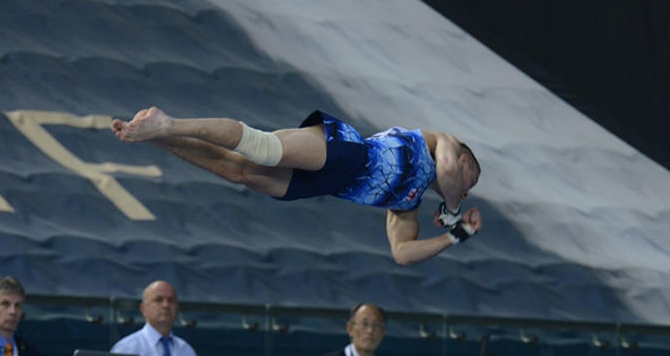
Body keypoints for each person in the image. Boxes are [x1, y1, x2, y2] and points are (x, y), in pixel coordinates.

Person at [111, 107, 483, 265]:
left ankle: (157, 138)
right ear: (466, 160)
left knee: (241, 172)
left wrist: (456, 236)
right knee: (265, 148)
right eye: (472, 182)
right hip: (347, 151)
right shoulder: (442, 144)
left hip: (329, 182)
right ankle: (169, 123)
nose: (466, 192)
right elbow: (449, 170)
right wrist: (452, 212)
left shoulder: (406, 203)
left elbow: (402, 254)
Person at [111, 280, 199, 356]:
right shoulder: (126, 349)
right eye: (159, 300)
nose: (166, 305)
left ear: (177, 308)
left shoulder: (186, 352)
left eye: (171, 300)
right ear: (143, 309)